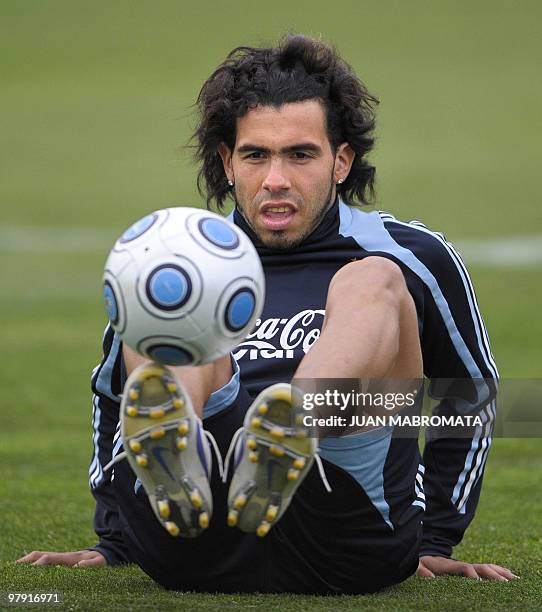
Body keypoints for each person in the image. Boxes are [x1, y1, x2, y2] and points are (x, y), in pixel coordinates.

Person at [18, 35, 518, 592]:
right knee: (171, 275)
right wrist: (113, 541)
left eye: (300, 155)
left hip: (347, 525)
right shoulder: (185, 260)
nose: (276, 179)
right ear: (228, 163)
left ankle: (293, 431)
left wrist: (435, 539)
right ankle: (177, 455)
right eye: (256, 155)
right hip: (192, 538)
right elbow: (116, 395)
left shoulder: (407, 255)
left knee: (372, 279)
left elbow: (468, 391)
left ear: (341, 162)